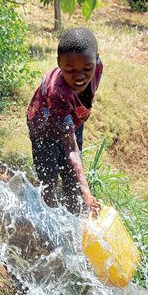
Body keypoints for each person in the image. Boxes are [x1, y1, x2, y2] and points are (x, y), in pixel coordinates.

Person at [27, 27, 102, 216]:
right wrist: (87, 191)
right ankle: (49, 222)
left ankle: (75, 219)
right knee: (49, 181)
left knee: (72, 181)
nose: (80, 76)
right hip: (44, 129)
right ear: (59, 64)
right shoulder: (58, 92)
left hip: (71, 119)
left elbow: (72, 151)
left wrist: (81, 190)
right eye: (70, 70)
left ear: (96, 59)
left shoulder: (98, 66)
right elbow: (70, 149)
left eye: (87, 69)